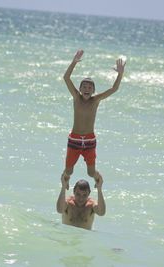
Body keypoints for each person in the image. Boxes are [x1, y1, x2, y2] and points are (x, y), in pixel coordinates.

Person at [62, 49, 126, 189]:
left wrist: (120, 74)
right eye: (84, 86)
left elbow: (113, 89)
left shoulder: (95, 100)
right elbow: (66, 78)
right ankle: (64, 181)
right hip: (75, 139)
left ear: (93, 91)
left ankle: (99, 179)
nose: (87, 89)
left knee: (91, 173)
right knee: (69, 171)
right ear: (79, 89)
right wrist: (74, 63)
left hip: (90, 140)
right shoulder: (76, 98)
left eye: (90, 87)